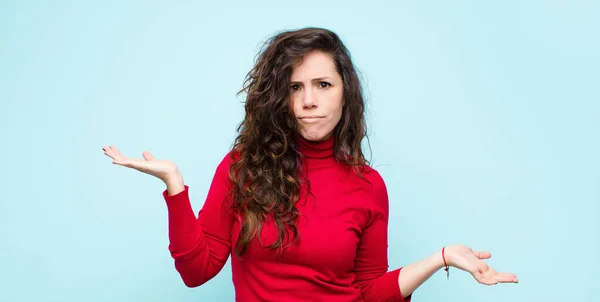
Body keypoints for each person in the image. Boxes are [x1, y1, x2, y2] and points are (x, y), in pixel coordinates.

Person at [102, 27, 518, 301]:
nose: (309, 101)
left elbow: (369, 291)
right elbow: (197, 271)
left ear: (344, 93)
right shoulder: (242, 167)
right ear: (279, 97)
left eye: (323, 84)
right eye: (295, 87)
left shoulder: (368, 185)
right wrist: (175, 186)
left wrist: (439, 258)